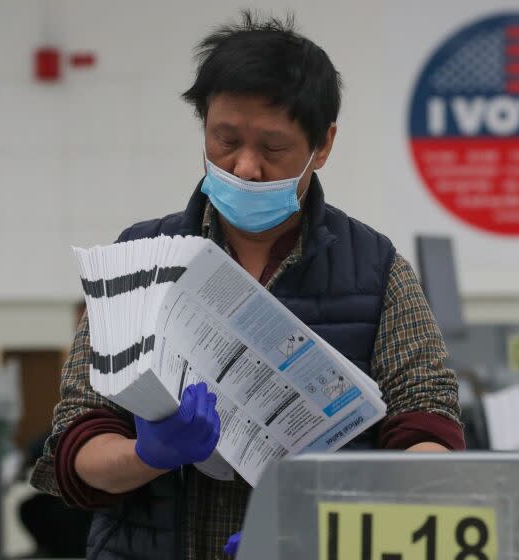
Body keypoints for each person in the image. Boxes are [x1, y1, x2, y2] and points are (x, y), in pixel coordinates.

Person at [31, 12, 463, 559]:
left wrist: (346, 518)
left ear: (323, 144)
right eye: (225, 139)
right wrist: (149, 454)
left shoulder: (376, 271)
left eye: (274, 147)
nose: (246, 167)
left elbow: (428, 423)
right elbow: (76, 441)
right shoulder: (138, 260)